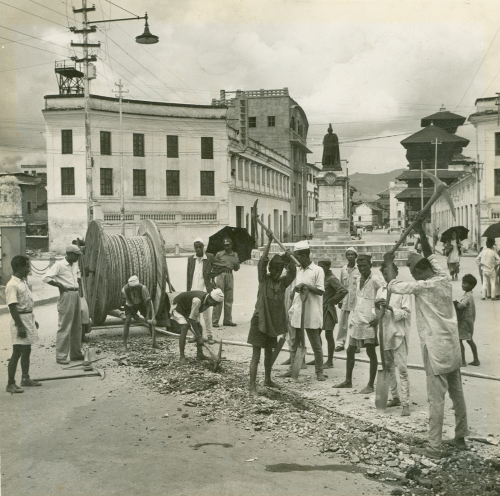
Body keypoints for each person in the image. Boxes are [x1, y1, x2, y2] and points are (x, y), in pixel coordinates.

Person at [385, 225, 468, 458]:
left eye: (414, 273)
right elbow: (432, 256)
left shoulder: (421, 286)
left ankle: (434, 446)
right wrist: (422, 233)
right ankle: (460, 437)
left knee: (436, 398)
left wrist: (390, 263)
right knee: (457, 393)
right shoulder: (443, 279)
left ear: (418, 272)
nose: (414, 277)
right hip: (452, 346)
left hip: (435, 349)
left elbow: (393, 286)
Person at [248, 230, 296, 396]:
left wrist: (289, 258)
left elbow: (293, 273)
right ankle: (252, 386)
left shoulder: (282, 283)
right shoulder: (264, 279)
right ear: (270, 269)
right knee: (256, 356)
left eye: (279, 269)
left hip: (273, 324)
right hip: (259, 321)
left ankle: (268, 379)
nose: (276, 272)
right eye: (274, 269)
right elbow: (262, 261)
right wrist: (268, 242)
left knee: (269, 353)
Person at [334, 254, 383, 394]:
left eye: (364, 266)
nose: (362, 269)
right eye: (360, 266)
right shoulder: (358, 279)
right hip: (357, 319)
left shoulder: (375, 280)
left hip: (369, 321)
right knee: (350, 350)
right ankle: (348, 380)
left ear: (370, 266)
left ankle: (370, 384)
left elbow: (384, 296)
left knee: (370, 351)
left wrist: (378, 316)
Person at [285, 240, 326, 381]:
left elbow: (320, 291)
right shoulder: (298, 270)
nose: (296, 259)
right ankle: (293, 369)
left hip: (312, 312)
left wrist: (307, 286)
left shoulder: (317, 270)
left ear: (304, 255)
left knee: (316, 345)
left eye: (297, 256)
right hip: (298, 310)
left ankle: (319, 371)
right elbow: (293, 290)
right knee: (294, 343)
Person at [375, 261, 411, 416]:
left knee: (402, 369)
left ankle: (406, 403)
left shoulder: (402, 290)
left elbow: (407, 313)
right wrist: (378, 307)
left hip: (398, 333)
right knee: (389, 368)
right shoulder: (381, 290)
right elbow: (375, 312)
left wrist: (391, 308)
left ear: (396, 272)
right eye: (384, 273)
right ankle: (395, 396)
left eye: (389, 272)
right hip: (385, 333)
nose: (386, 275)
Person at [42, 245, 83, 364]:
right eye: (76, 255)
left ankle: (75, 353)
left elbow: (78, 274)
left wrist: (78, 283)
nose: (78, 257)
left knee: (77, 325)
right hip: (66, 294)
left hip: (75, 294)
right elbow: (45, 278)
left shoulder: (75, 264)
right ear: (69, 254)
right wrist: (59, 285)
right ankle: (61, 356)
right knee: (65, 326)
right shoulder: (59, 265)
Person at [5, 256, 41, 393]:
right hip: (19, 321)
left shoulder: (22, 282)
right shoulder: (12, 285)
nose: (29, 269)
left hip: (27, 318)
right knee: (17, 352)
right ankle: (10, 383)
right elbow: (13, 307)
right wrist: (20, 326)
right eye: (26, 266)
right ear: (19, 268)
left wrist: (33, 320)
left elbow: (26, 304)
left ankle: (25, 378)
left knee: (27, 350)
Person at [171, 288, 224, 364]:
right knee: (184, 327)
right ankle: (181, 356)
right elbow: (192, 320)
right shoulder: (197, 300)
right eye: (215, 303)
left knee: (199, 328)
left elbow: (193, 316)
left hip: (188, 308)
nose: (215, 305)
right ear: (210, 298)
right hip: (178, 307)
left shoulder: (208, 301)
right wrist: (199, 337)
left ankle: (200, 354)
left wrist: (198, 333)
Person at [317, 258, 348, 368]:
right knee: (316, 334)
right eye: (319, 266)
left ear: (328, 267)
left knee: (328, 335)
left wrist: (332, 300)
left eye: (322, 266)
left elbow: (343, 290)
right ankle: (318, 358)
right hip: (319, 309)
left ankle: (330, 361)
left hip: (328, 310)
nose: (320, 269)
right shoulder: (321, 277)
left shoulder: (331, 278)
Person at [186, 237, 215, 343]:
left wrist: (213, 280)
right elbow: (189, 276)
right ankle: (197, 335)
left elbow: (217, 267)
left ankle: (210, 335)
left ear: (203, 247)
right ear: (194, 248)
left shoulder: (210, 258)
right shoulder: (190, 259)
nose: (198, 249)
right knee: (195, 314)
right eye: (196, 247)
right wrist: (188, 291)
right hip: (194, 290)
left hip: (205, 291)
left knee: (207, 314)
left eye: (200, 247)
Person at [212, 237, 240, 327]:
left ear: (231, 245)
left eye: (228, 245)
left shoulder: (234, 255)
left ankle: (227, 320)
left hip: (230, 275)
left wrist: (236, 263)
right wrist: (213, 279)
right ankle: (215, 320)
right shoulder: (219, 254)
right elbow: (214, 267)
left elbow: (236, 269)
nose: (226, 247)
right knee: (218, 297)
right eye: (225, 245)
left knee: (229, 298)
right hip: (221, 275)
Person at [335, 247, 360, 352]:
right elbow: (341, 285)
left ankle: (356, 343)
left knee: (356, 321)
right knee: (343, 322)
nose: (350, 256)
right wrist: (340, 300)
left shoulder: (359, 269)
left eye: (352, 254)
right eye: (348, 254)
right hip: (345, 298)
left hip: (356, 298)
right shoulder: (343, 269)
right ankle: (340, 343)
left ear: (355, 256)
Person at [121, 275, 152, 350]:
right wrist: (134, 315)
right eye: (133, 288)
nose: (135, 289)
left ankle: (154, 343)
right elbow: (129, 303)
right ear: (130, 287)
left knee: (151, 322)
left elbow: (148, 303)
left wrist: (147, 316)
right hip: (130, 305)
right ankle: (124, 345)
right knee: (127, 321)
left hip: (141, 304)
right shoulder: (125, 290)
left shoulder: (143, 288)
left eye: (136, 288)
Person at [454, 274, 479, 367]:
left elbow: (461, 306)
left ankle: (463, 361)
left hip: (464, 322)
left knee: (459, 340)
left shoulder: (467, 296)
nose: (463, 285)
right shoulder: (470, 294)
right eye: (462, 283)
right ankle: (476, 359)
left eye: (465, 284)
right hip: (469, 321)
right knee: (469, 340)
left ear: (471, 286)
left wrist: (456, 303)